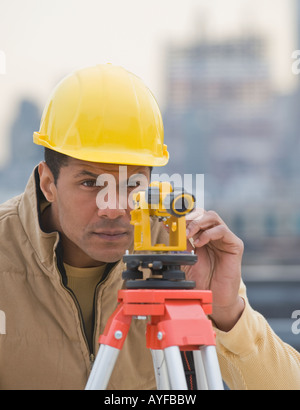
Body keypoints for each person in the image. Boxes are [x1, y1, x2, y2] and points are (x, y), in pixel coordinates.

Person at [0, 64, 299, 390]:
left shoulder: (179, 247)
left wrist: (228, 312)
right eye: (90, 183)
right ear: (48, 182)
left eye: (132, 184)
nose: (113, 208)